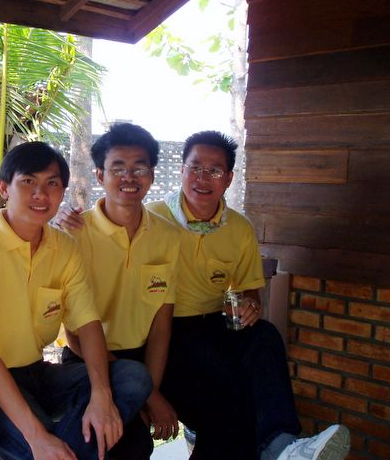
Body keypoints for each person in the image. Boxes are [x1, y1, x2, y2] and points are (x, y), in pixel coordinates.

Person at [57, 131, 350, 460]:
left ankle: (282, 444)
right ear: (181, 170)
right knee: (216, 405)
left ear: (229, 178)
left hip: (191, 334)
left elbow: (239, 293)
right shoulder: (118, 225)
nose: (202, 178)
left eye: (214, 171)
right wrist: (60, 217)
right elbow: (78, 330)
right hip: (131, 345)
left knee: (259, 346)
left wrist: (250, 305)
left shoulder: (198, 231)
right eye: (195, 168)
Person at [0, 141, 152, 460]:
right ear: (4, 188)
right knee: (48, 441)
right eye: (28, 181)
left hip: (40, 374)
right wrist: (37, 436)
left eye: (52, 183)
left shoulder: (64, 247)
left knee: (132, 377)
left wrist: (101, 398)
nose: (41, 194)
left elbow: (87, 323)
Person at [58, 123, 181, 459]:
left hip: (142, 360)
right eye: (117, 168)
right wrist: (150, 397)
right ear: (100, 175)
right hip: (87, 361)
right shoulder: (75, 234)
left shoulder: (169, 237)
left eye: (139, 168)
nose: (129, 177)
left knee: (138, 443)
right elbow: (75, 336)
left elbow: (161, 326)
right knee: (113, 443)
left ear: (152, 175)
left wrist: (149, 390)